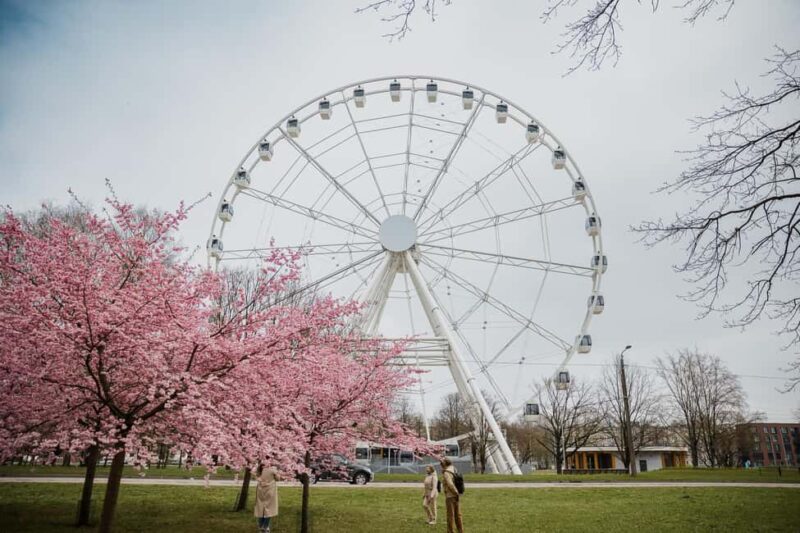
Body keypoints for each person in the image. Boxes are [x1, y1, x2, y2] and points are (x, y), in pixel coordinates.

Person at [254, 465, 280, 533]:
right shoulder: (272, 469)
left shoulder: (259, 468)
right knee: (269, 509)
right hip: (270, 490)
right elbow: (278, 479)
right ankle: (265, 527)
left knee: (260, 508)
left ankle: (261, 527)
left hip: (260, 490)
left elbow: (256, 477)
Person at [440, 457, 463, 533]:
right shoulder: (454, 469)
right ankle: (460, 530)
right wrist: (457, 494)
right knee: (458, 515)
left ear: (444, 464)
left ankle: (450, 531)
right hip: (457, 495)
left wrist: (455, 492)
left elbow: (450, 484)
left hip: (450, 496)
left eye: (442, 465)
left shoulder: (446, 473)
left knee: (450, 515)